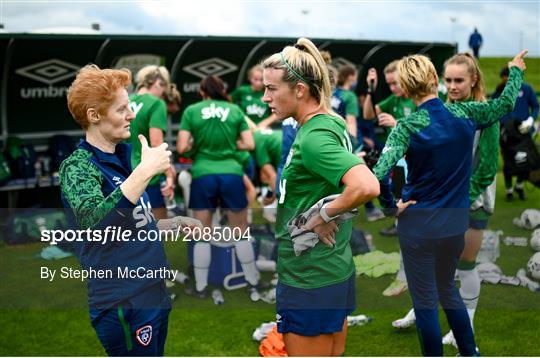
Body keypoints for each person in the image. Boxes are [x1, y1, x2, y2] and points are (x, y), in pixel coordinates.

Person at [372, 50, 527, 356]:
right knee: (447, 290)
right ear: (435, 80)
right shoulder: (467, 113)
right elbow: (506, 104)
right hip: (455, 225)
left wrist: (391, 207)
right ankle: (470, 352)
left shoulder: (406, 127)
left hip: (418, 226)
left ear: (403, 87)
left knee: (426, 301)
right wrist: (515, 70)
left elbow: (378, 176)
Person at [60, 64, 201, 356]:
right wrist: (145, 172)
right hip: (122, 300)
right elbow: (96, 226)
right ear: (94, 115)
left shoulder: (123, 159)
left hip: (152, 291)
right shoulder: (77, 166)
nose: (132, 115)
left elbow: (131, 226)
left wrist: (172, 224)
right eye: (122, 109)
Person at [262, 37, 380, 356]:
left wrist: (323, 216)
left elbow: (366, 186)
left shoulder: (314, 136)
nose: (265, 97)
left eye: (272, 89)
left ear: (299, 89)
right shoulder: (328, 122)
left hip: (309, 276)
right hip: (330, 267)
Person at [392, 53, 500, 349]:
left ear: (474, 80)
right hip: (441, 209)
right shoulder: (444, 110)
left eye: (458, 81)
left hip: (470, 203)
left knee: (463, 269)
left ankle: (464, 331)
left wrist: (457, 198)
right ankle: (426, 313)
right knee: (439, 280)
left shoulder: (482, 113)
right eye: (448, 80)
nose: (452, 86)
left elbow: (488, 167)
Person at [177, 75, 262, 298]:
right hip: (231, 173)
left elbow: (182, 147)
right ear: (222, 90)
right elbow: (250, 143)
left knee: (202, 234)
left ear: (203, 92)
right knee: (241, 232)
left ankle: (201, 288)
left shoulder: (192, 111)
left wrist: (198, 148)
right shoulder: (234, 110)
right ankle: (252, 282)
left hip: (203, 174)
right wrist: (231, 147)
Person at [129, 65, 176, 220]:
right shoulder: (156, 103)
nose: (163, 93)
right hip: (147, 172)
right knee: (159, 225)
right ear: (157, 83)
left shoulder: (126, 101)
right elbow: (157, 143)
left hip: (124, 171)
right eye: (163, 87)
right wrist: (169, 173)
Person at [493, 66, 539, 201]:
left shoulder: (526, 89)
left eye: (510, 79)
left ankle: (519, 186)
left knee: (523, 160)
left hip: (523, 131)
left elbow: (535, 106)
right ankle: (509, 191)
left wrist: (531, 120)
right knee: (508, 161)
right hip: (506, 133)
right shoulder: (500, 90)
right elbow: (494, 107)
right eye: (505, 80)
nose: (507, 82)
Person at [231, 64, 278, 128]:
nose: (258, 83)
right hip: (244, 126)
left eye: (261, 80)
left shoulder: (269, 93)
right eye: (255, 79)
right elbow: (229, 104)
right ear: (249, 78)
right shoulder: (241, 90)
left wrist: (265, 123)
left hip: (262, 128)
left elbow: (277, 112)